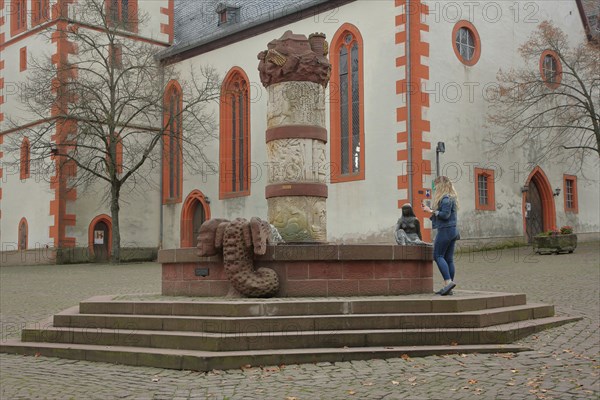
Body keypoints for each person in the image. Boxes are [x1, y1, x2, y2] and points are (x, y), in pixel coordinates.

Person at [422, 176, 460, 296]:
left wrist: (431, 211)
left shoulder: (445, 199)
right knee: (448, 259)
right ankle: (448, 287)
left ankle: (448, 282)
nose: (435, 188)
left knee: (438, 255)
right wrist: (431, 210)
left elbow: (445, 215)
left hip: (445, 231)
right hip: (452, 231)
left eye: (436, 186)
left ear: (441, 186)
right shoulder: (451, 198)